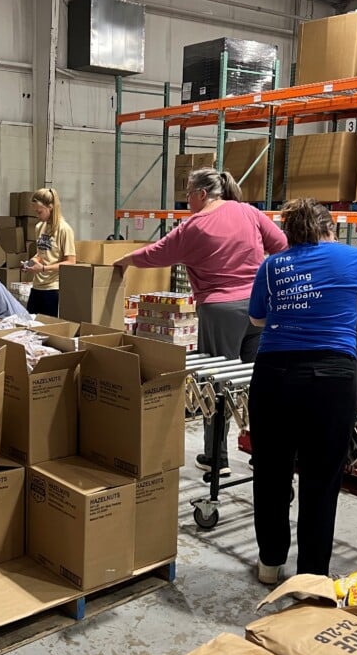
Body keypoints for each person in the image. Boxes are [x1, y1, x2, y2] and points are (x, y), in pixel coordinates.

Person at [247, 199, 357, 583]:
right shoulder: (352, 258)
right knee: (321, 477)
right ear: (329, 230)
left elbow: (257, 318)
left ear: (289, 232)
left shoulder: (272, 265)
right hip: (332, 377)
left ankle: (270, 563)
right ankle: (312, 574)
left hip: (274, 374)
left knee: (271, 470)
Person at [113, 167, 287, 477]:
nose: (187, 202)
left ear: (201, 194)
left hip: (221, 311)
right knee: (259, 383)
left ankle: (215, 458)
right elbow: (281, 245)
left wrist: (125, 260)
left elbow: (157, 253)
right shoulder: (248, 212)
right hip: (261, 307)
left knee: (218, 384)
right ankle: (264, 455)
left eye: (188, 196)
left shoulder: (195, 225)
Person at [25, 187, 76, 317]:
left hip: (53, 288)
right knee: (30, 325)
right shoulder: (39, 227)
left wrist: (43, 268)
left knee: (48, 330)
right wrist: (31, 263)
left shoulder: (64, 230)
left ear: (51, 207)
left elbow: (71, 262)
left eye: (40, 212)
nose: (37, 215)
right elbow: (41, 254)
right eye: (35, 211)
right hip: (37, 286)